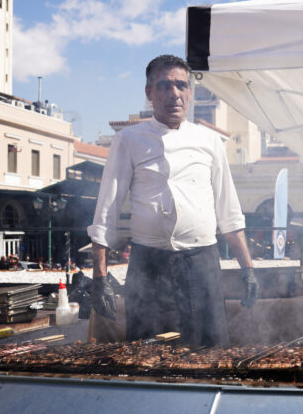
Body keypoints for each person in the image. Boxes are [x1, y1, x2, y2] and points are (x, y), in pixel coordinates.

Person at [88, 54, 258, 347]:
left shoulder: (210, 141)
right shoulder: (128, 140)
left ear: (190, 93)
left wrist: (248, 270)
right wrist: (99, 278)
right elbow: (107, 211)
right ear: (149, 93)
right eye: (164, 85)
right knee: (148, 359)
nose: (174, 94)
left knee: (209, 355)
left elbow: (229, 213)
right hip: (149, 267)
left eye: (181, 85)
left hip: (202, 265)